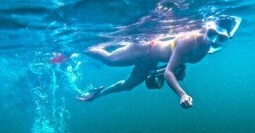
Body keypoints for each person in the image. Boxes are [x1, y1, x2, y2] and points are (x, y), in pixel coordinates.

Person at [77, 15, 241, 109]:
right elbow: (169, 72)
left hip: (152, 61)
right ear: (207, 28)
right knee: (110, 60)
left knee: (128, 86)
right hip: (146, 48)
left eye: (221, 38)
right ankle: (78, 47)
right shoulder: (189, 39)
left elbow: (179, 60)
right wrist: (182, 94)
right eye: (212, 33)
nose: (214, 40)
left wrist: (181, 68)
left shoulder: (207, 49)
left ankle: (96, 95)